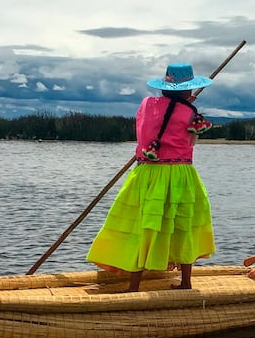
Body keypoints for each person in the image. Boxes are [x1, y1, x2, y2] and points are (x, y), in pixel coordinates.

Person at [86, 63, 216, 291]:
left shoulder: (146, 104)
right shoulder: (191, 114)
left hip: (147, 171)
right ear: (188, 90)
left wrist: (181, 106)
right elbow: (189, 142)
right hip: (179, 173)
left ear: (165, 86)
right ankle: (185, 282)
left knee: (141, 225)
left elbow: (151, 123)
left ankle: (134, 286)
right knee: (183, 225)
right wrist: (187, 109)